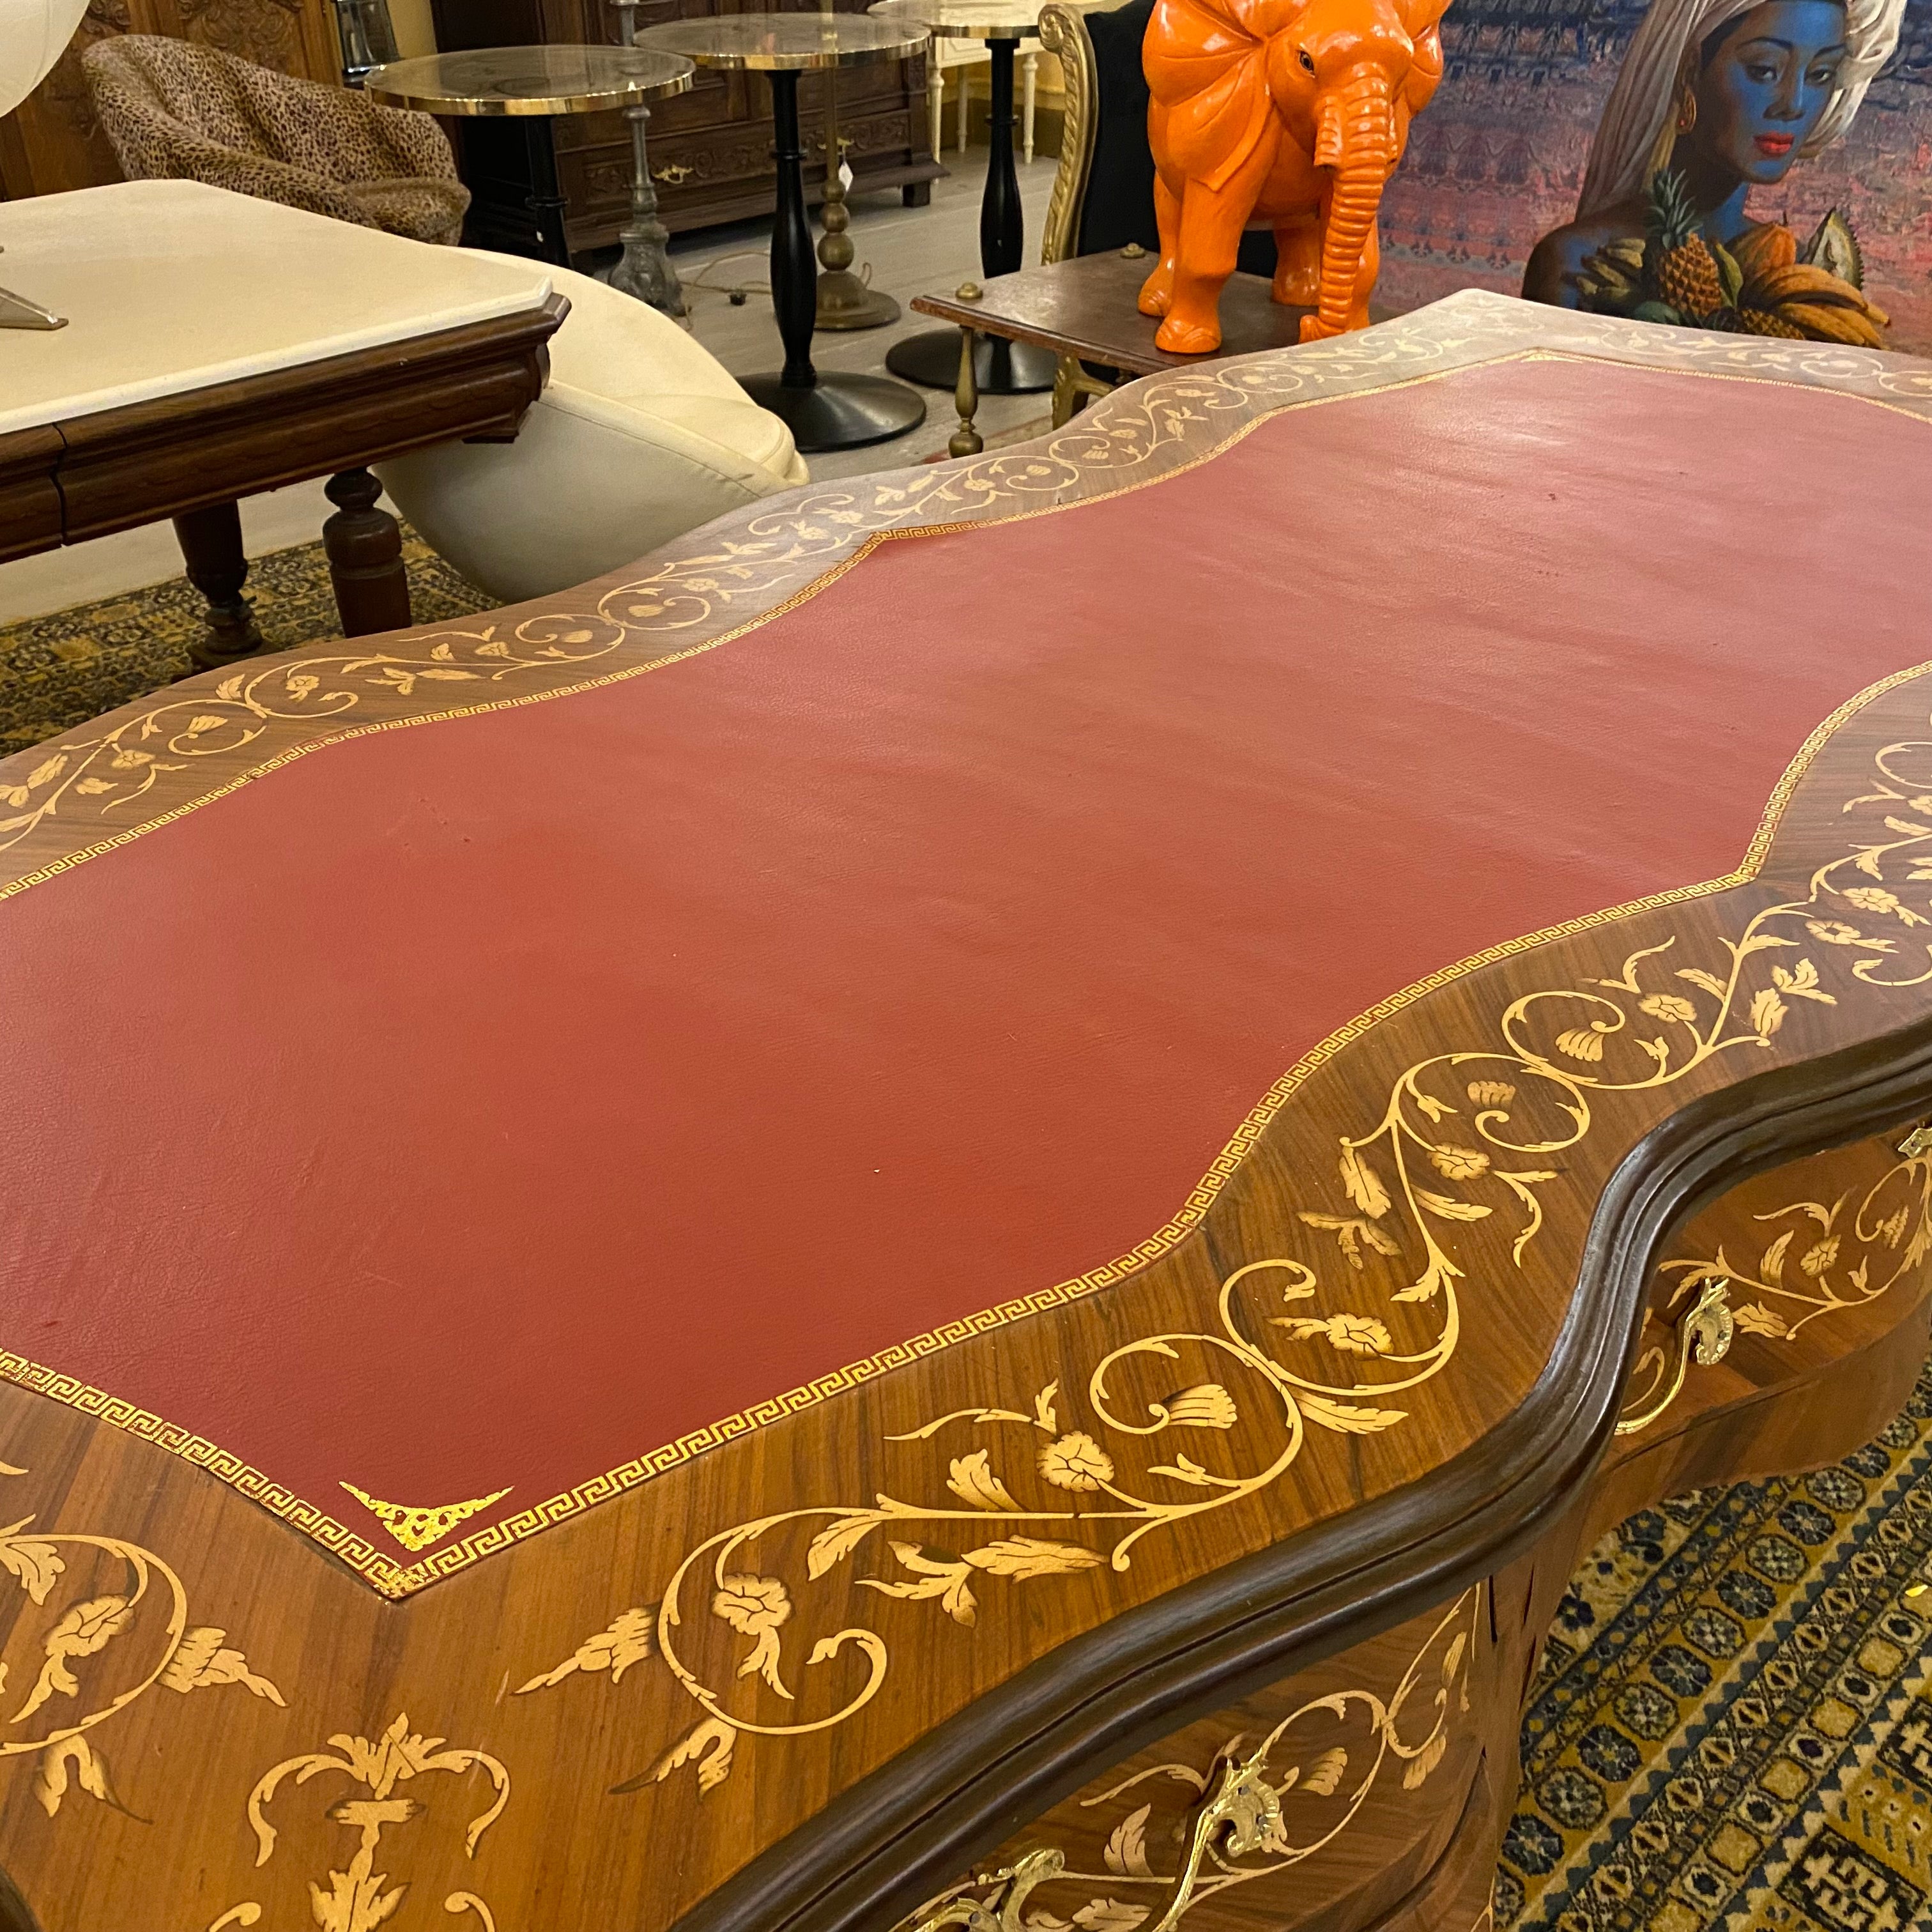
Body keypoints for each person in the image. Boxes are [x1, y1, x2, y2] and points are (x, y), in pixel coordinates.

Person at [1521, 0, 1903, 341]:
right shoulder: (1577, 264)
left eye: (1820, 74)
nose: (1794, 104)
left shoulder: (1802, 275)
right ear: (1689, 72)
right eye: (1764, 69)